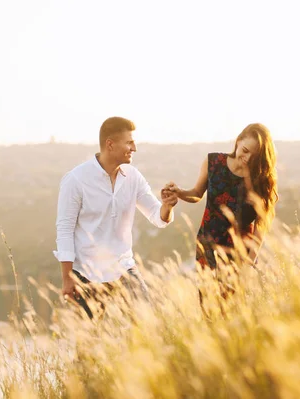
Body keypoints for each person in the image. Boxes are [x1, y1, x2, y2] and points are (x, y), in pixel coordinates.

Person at [54, 116, 178, 318]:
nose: (134, 148)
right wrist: (67, 278)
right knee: (90, 339)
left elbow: (158, 217)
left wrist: (167, 205)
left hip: (123, 268)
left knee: (147, 323)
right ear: (110, 144)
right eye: (129, 142)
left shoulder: (133, 176)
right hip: (85, 273)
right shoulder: (76, 179)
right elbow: (65, 230)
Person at [164, 123, 278, 270]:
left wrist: (250, 262)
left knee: (233, 293)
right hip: (207, 246)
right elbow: (197, 194)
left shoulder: (261, 179)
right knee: (206, 293)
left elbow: (261, 225)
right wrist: (179, 192)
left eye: (254, 156)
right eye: (245, 150)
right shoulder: (213, 162)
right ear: (238, 141)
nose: (248, 158)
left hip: (239, 253)